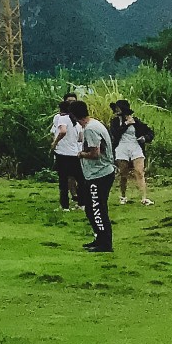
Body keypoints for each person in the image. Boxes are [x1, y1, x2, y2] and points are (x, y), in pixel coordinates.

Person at [74, 98, 114, 252]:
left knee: (97, 209)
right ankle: (100, 238)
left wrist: (81, 154)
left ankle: (105, 243)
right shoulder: (94, 124)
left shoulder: (90, 129)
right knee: (92, 208)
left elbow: (95, 153)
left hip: (99, 174)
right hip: (99, 173)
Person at [110, 100, 154, 205]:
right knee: (123, 173)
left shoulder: (136, 121)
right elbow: (115, 134)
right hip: (121, 146)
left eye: (118, 108)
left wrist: (144, 138)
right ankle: (123, 196)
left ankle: (144, 198)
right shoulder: (115, 122)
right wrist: (126, 124)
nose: (116, 110)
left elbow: (149, 132)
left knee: (139, 171)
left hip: (135, 146)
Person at [50, 97, 82, 209]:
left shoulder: (62, 118)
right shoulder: (76, 122)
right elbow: (80, 138)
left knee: (63, 180)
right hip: (75, 153)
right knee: (79, 179)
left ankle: (65, 205)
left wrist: (55, 142)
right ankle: (82, 203)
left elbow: (63, 131)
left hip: (63, 153)